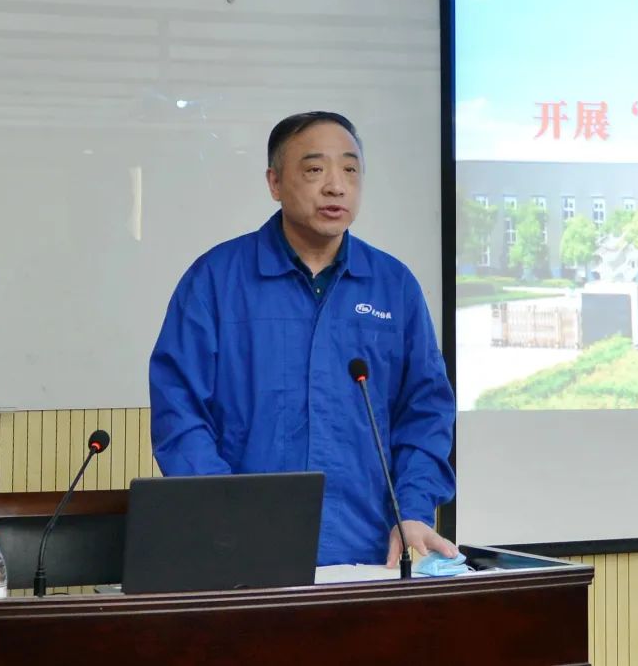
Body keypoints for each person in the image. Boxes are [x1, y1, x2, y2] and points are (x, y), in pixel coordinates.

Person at [149, 111, 457, 568]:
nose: (336, 186)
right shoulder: (215, 281)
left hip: (370, 549)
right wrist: (225, 513)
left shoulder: (394, 286)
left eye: (350, 169)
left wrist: (412, 510)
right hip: (241, 549)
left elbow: (425, 412)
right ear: (274, 183)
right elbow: (180, 412)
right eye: (315, 170)